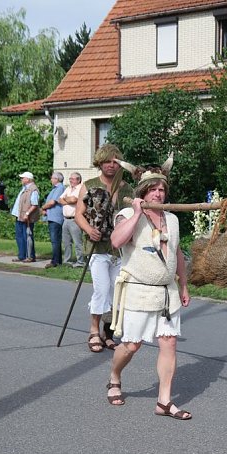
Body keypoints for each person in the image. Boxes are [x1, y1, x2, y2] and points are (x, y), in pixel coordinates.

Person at [104, 171, 191, 419]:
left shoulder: (171, 219)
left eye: (162, 189)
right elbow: (116, 241)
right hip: (138, 291)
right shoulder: (128, 214)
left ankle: (164, 401)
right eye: (153, 189)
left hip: (167, 292)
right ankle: (115, 377)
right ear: (142, 191)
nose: (158, 193)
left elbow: (177, 253)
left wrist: (183, 285)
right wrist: (138, 213)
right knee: (132, 345)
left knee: (169, 342)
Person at [74, 144, 133, 353]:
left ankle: (108, 332)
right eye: (107, 161)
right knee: (101, 289)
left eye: (115, 162)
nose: (111, 165)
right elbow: (78, 213)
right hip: (97, 248)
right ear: (100, 163)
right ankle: (93, 331)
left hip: (120, 250)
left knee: (116, 292)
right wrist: (90, 230)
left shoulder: (126, 188)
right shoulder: (89, 185)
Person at [11, 171, 40, 263]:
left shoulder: (33, 189)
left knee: (27, 237)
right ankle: (22, 255)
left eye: (22, 178)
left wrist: (27, 214)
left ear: (28, 179)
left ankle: (30, 256)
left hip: (26, 217)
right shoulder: (24, 188)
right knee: (20, 237)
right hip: (20, 216)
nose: (21, 179)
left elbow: (34, 204)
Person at [59, 172, 85, 267]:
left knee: (77, 242)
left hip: (75, 219)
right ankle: (67, 260)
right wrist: (68, 200)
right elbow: (60, 200)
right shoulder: (68, 188)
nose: (70, 180)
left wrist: (67, 199)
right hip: (66, 219)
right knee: (66, 242)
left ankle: (80, 262)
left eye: (72, 179)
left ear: (78, 180)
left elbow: (74, 200)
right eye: (70, 178)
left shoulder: (81, 188)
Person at [41, 171, 65, 268]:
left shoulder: (60, 188)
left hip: (56, 218)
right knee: (54, 240)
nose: (51, 180)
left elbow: (52, 202)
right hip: (51, 217)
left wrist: (43, 208)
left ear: (57, 179)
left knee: (55, 240)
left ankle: (55, 261)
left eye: (52, 178)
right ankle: (57, 260)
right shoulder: (54, 189)